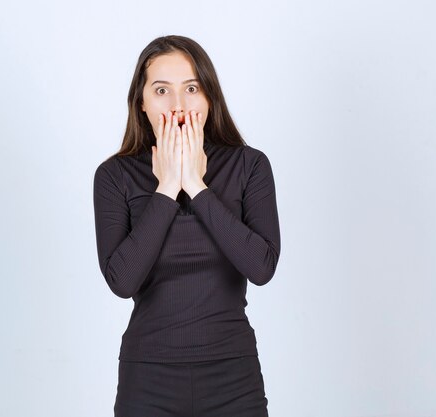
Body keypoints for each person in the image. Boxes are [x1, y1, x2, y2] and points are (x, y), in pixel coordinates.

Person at [93, 35, 281, 417]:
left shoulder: (249, 166)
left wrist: (195, 185)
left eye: (191, 88)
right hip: (148, 379)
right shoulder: (115, 176)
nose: (178, 105)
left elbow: (261, 268)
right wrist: (165, 188)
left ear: (209, 97)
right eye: (161, 90)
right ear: (141, 102)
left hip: (233, 377)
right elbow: (122, 281)